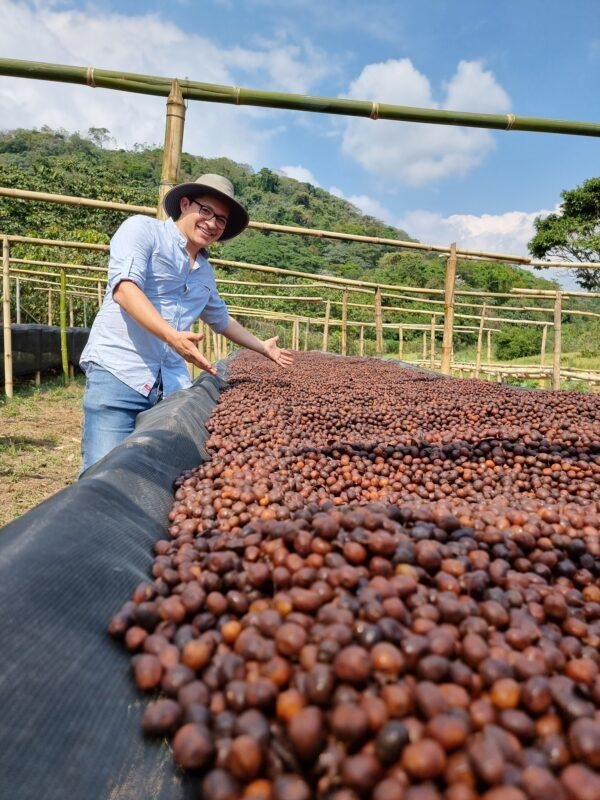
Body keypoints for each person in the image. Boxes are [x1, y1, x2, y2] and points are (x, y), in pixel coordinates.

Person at [79, 173, 293, 472]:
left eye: (221, 219)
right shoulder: (143, 231)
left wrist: (262, 347)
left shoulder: (205, 271)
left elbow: (220, 319)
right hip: (120, 372)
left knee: (158, 473)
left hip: (172, 387)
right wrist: (172, 336)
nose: (212, 223)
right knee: (104, 475)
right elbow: (125, 290)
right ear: (184, 204)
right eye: (206, 211)